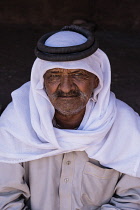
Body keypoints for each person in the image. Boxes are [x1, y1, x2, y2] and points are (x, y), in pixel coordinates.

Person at [0, 25, 140, 210]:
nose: (66, 87)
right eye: (55, 76)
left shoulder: (126, 126)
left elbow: (132, 200)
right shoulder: (15, 123)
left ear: (97, 80)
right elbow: (5, 199)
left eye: (78, 74)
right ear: (42, 82)